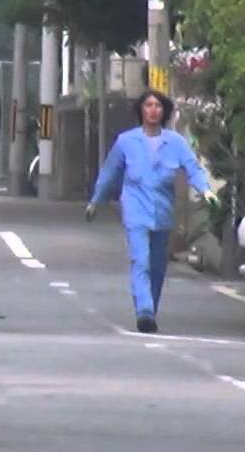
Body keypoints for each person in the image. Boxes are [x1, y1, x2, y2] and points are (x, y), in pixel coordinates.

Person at [86, 89, 217, 334]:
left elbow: (193, 168)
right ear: (141, 110)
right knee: (141, 260)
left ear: (164, 111)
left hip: (162, 213)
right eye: (148, 105)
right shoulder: (126, 141)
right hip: (135, 210)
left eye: (158, 106)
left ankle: (150, 311)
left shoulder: (175, 142)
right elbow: (109, 173)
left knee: (157, 267)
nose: (153, 110)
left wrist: (206, 190)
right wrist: (95, 201)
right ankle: (144, 311)